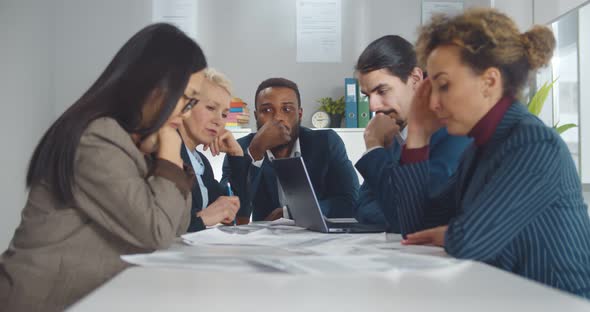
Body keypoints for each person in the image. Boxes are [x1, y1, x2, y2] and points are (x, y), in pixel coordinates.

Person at [378, 8, 590, 298]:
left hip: (557, 302)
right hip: (507, 297)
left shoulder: (533, 144)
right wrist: (417, 134)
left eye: (444, 86)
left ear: (489, 82)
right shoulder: (480, 148)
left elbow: (469, 241)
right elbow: (417, 229)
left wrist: (449, 234)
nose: (434, 103)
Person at [0, 23, 208, 311]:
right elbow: (157, 232)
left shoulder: (134, 140)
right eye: (187, 98)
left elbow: (176, 227)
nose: (186, 112)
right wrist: (170, 152)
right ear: (155, 86)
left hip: (90, 297)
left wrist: (164, 154)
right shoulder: (98, 137)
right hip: (41, 301)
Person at [354, 35, 471, 231]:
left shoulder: (452, 133)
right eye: (367, 96)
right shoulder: (393, 134)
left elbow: (413, 218)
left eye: (382, 91)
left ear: (415, 79)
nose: (373, 106)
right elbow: (361, 208)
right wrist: (394, 211)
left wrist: (374, 146)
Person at [222, 78, 359, 222]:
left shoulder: (326, 143)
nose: (278, 118)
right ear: (256, 116)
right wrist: (255, 152)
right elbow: (231, 210)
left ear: (299, 115)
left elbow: (350, 201)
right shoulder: (240, 149)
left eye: (287, 109)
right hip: (265, 240)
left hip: (317, 238)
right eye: (267, 110)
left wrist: (290, 213)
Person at [178, 68, 241, 232]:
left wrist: (236, 156)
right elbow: (160, 229)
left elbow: (238, 214)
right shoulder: (166, 153)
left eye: (224, 114)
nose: (218, 121)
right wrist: (203, 218)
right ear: (186, 106)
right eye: (211, 108)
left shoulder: (199, 161)